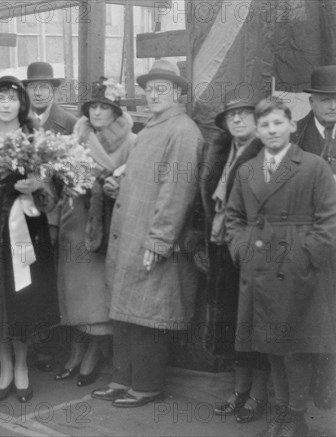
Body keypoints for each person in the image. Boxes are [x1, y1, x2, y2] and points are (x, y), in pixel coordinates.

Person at [225, 97, 336, 437]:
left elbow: (333, 220)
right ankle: (280, 411)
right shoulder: (248, 169)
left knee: (294, 348)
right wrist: (241, 247)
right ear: (257, 130)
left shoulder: (312, 166)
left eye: (278, 123)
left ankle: (296, 416)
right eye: (264, 125)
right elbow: (233, 217)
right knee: (270, 346)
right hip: (258, 267)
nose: (271, 130)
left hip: (297, 270)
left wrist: (304, 256)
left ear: (292, 125)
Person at [92, 59, 204, 408]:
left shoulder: (184, 131)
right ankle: (123, 379)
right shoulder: (155, 125)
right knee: (126, 312)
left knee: (148, 316)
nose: (153, 95)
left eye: (162, 89)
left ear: (178, 93)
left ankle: (147, 385)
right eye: (149, 89)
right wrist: (118, 185)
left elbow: (178, 190)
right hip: (131, 234)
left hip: (152, 238)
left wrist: (159, 240)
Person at [0, 76, 59, 403]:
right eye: (0, 98)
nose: (7, 104)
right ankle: (5, 367)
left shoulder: (36, 138)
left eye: (13, 98)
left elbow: (55, 183)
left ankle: (22, 367)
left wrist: (38, 186)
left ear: (21, 103)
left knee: (21, 298)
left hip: (25, 234)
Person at [54, 77, 135, 387]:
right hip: (74, 220)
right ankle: (76, 348)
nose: (98, 113)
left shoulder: (132, 141)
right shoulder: (75, 138)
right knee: (75, 292)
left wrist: (113, 185)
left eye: (105, 107)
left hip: (106, 226)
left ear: (116, 111)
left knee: (98, 293)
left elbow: (136, 181)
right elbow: (61, 176)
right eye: (93, 107)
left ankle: (94, 352)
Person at [201, 89, 270, 423]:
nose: (239, 119)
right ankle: (240, 390)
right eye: (232, 115)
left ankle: (259, 395)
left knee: (255, 326)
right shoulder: (221, 151)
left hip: (253, 254)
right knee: (232, 323)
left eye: (245, 113)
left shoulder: (267, 152)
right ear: (226, 124)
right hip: (221, 250)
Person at [291, 65, 336, 409]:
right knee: (310, 308)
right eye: (326, 99)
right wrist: (323, 176)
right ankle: (305, 385)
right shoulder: (295, 134)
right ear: (311, 101)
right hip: (307, 239)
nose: (333, 106)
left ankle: (333, 384)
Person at [22, 61, 77, 373]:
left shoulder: (69, 124)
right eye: (33, 87)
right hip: (22, 217)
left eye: (45, 87)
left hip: (56, 216)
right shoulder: (17, 123)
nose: (39, 92)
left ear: (55, 90)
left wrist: (54, 221)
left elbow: (71, 178)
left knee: (54, 280)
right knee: (27, 279)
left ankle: (53, 348)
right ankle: (29, 343)